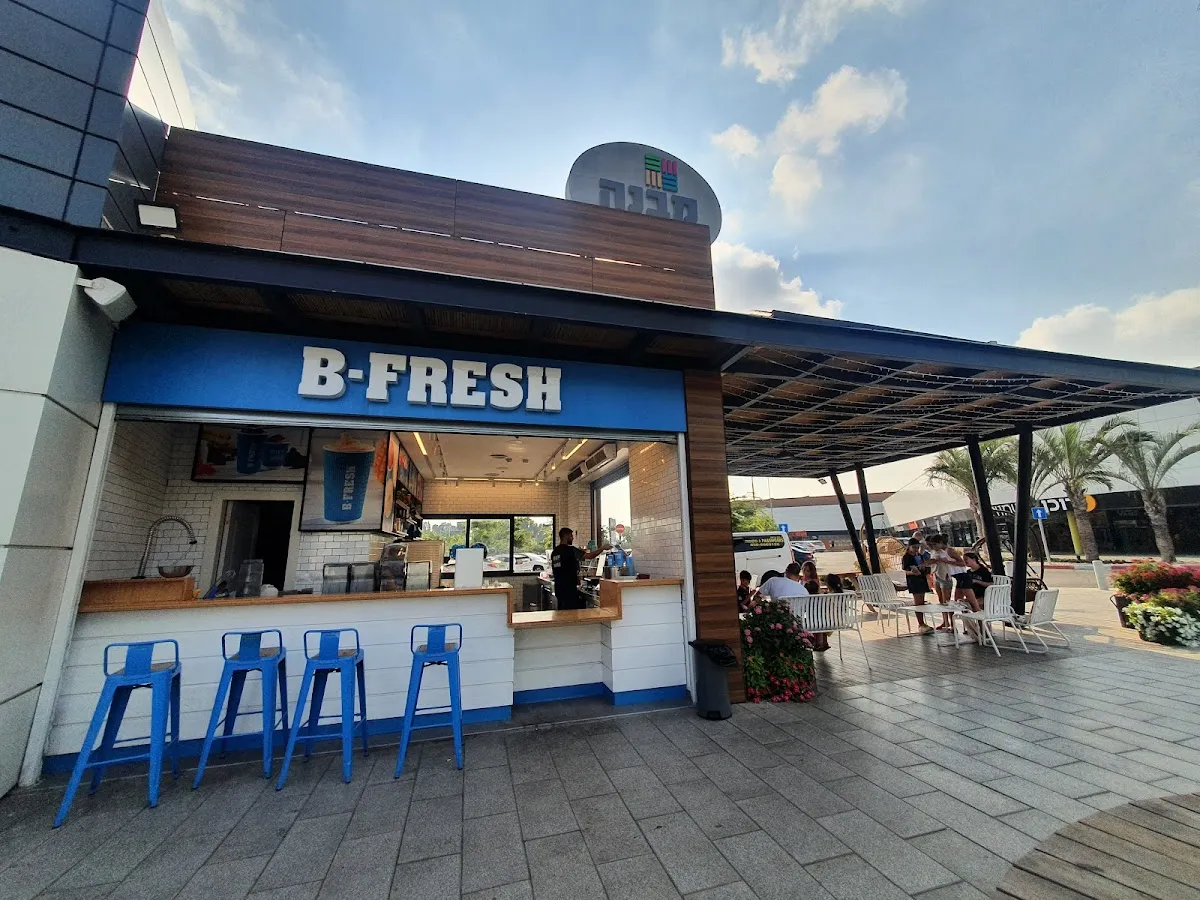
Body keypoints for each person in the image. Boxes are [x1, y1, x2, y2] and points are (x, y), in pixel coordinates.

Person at [550, 528, 609, 611]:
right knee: (572, 614)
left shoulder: (555, 552)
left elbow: (561, 568)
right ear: (566, 536)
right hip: (569, 590)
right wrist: (602, 548)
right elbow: (590, 556)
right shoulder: (570, 550)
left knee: (562, 613)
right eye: (571, 536)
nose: (573, 538)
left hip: (559, 589)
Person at [927, 533, 970, 632]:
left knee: (949, 601)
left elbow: (962, 563)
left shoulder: (949, 551)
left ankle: (954, 624)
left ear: (940, 543)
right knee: (941, 600)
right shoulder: (935, 551)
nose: (933, 547)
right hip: (938, 575)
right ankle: (945, 621)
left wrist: (946, 561)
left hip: (952, 576)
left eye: (935, 545)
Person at [901, 537, 936, 635]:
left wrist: (924, 567)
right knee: (918, 603)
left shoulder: (919, 555)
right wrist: (913, 572)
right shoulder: (906, 557)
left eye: (917, 547)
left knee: (922, 602)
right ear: (909, 547)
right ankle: (920, 623)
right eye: (914, 547)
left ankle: (923, 623)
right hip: (914, 581)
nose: (916, 549)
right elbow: (906, 571)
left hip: (921, 579)